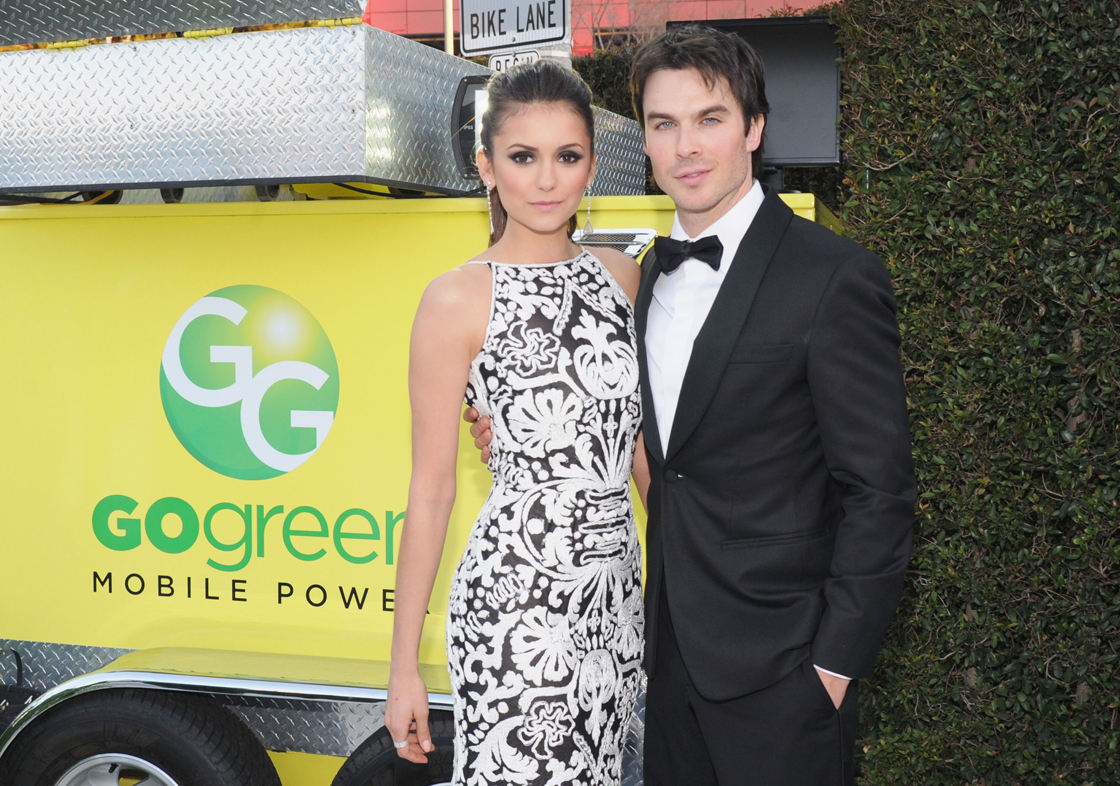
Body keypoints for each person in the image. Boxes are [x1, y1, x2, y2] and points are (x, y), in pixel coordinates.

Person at [468, 24, 917, 786]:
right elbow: (638, 441)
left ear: (754, 127)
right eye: (663, 124)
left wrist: (833, 669)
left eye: (710, 118)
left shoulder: (833, 276)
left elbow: (882, 492)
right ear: (642, 140)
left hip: (784, 677)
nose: (687, 146)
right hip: (666, 667)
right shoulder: (640, 281)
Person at [385, 59, 650, 786]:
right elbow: (433, 489)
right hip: (516, 611)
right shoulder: (455, 300)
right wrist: (403, 668)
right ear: (486, 166)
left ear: (592, 164)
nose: (545, 180)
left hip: (617, 605)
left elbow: (639, 451)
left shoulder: (621, 278)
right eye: (522, 157)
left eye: (566, 157)